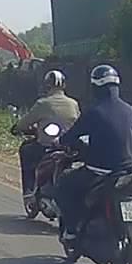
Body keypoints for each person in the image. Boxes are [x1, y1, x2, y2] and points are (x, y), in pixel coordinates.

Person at [54, 64, 132, 241]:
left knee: (63, 186)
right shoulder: (129, 109)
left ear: (96, 88)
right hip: (127, 171)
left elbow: (72, 136)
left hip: (100, 171)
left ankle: (71, 231)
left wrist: (59, 142)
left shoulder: (94, 112)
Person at [11, 70, 80, 199]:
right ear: (64, 86)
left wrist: (17, 128)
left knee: (26, 149)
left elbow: (24, 123)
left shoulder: (43, 103)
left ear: (47, 86)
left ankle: (29, 191)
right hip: (68, 148)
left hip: (46, 146)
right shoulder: (73, 104)